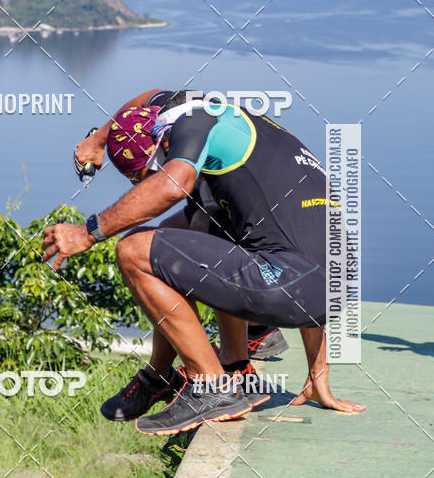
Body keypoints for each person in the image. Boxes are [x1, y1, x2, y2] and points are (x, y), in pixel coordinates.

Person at [44, 93, 366, 436]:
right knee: (187, 230)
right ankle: (204, 370)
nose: (148, 182)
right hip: (329, 287)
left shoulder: (194, 123)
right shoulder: (237, 125)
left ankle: (211, 387)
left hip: (288, 283)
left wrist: (89, 232)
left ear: (164, 142)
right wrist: (318, 373)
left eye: (149, 173)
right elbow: (309, 252)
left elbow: (172, 186)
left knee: (133, 251)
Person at [75, 90, 289, 363]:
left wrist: (89, 233)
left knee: (202, 231)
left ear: (161, 150)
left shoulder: (193, 148)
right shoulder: (160, 113)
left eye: (140, 176)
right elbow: (147, 96)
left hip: (262, 197)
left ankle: (243, 351)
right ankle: (161, 371)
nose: (136, 185)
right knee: (165, 237)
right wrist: (98, 139)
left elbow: (171, 190)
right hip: (240, 173)